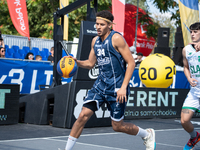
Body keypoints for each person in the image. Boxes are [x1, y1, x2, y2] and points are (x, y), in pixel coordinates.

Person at [63, 10, 156, 150]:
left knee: (117, 126)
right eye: (97, 24)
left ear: (110, 25)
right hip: (100, 86)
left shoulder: (116, 39)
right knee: (82, 115)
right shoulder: (95, 41)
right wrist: (76, 62)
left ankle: (146, 134)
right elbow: (90, 63)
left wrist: (124, 87)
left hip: (118, 88)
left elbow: (131, 62)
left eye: (101, 24)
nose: (98, 27)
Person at [181, 22, 200, 150]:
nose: (192, 34)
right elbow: (186, 67)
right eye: (191, 32)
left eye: (195, 32)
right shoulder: (186, 50)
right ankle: (194, 136)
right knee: (184, 120)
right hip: (194, 92)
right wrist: (188, 78)